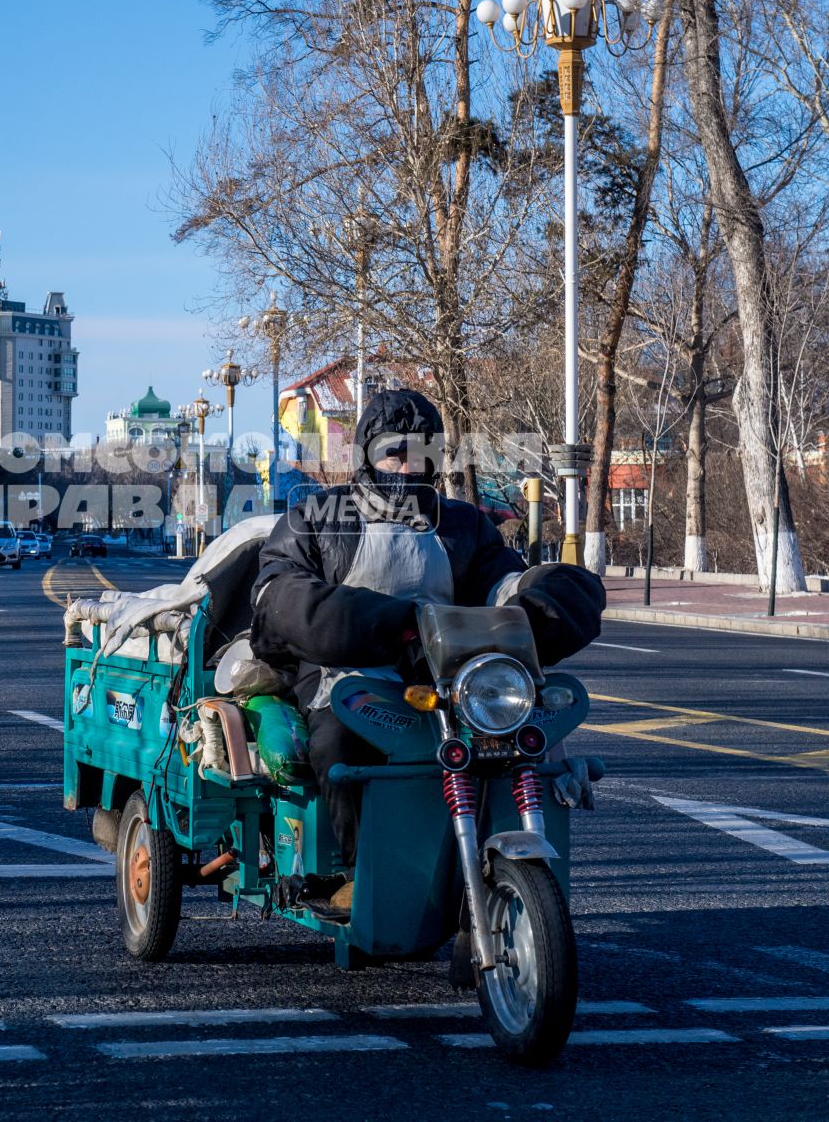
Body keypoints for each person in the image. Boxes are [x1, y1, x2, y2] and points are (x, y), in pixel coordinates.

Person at [248, 388, 604, 919]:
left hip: (454, 683)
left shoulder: (464, 526)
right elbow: (280, 597)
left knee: (520, 746)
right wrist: (392, 625)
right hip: (347, 681)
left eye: (424, 451)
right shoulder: (317, 518)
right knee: (337, 747)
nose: (409, 464)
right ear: (366, 453)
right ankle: (356, 874)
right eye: (395, 450)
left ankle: (493, 877)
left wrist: (551, 599)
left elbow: (502, 585)